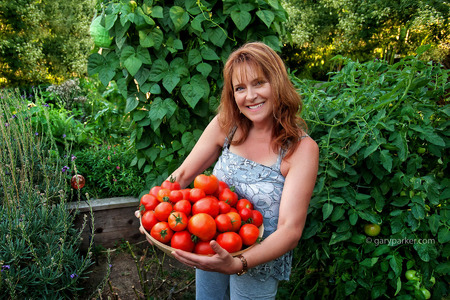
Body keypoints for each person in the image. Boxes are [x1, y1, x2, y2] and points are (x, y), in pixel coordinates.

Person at [137, 41, 319, 299]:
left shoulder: (301, 149)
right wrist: (154, 209)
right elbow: (184, 174)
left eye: (259, 83)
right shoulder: (227, 125)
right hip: (209, 242)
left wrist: (238, 263)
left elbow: (290, 229)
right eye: (240, 88)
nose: (250, 96)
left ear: (277, 82)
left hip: (258, 262)